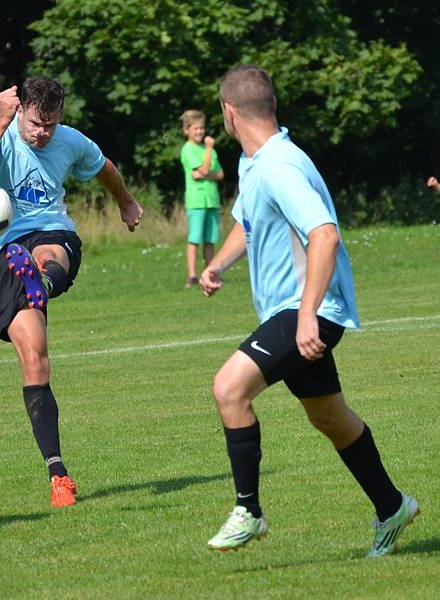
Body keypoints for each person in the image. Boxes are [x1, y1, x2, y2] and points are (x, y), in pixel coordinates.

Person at [199, 65, 417, 556]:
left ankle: (248, 510)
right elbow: (248, 220)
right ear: (271, 106)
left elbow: (324, 233)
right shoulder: (257, 162)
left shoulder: (279, 166)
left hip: (307, 310)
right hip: (299, 310)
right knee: (330, 417)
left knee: (229, 389)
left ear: (229, 113)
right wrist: (217, 264)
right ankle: (391, 506)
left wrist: (305, 316)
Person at [0, 76, 143, 507]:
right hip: (2, 247)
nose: (43, 133)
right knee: (35, 357)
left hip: (50, 231)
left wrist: (126, 202)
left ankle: (40, 280)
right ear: (20, 108)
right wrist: (3, 121)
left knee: (50, 252)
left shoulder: (69, 141)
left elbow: (104, 166)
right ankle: (58, 475)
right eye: (37, 123)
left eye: (51, 125)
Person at [179, 109, 224, 288]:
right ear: (187, 130)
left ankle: (210, 273)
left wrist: (205, 174)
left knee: (210, 239)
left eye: (202, 128)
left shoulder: (208, 152)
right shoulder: (188, 149)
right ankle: (192, 276)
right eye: (196, 129)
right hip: (196, 202)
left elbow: (219, 174)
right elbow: (205, 170)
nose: (200, 132)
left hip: (211, 200)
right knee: (195, 239)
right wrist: (209, 150)